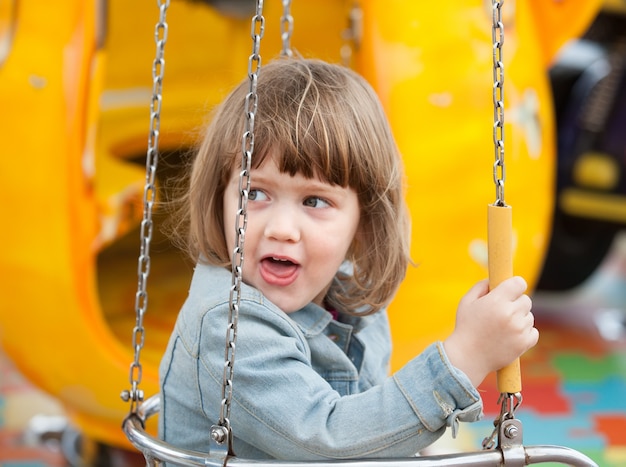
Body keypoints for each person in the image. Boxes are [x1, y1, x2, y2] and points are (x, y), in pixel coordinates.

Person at [159, 57, 538, 460]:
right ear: (220, 194)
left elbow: (374, 431)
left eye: (315, 201)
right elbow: (327, 440)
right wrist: (467, 356)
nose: (281, 228)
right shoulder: (227, 323)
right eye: (255, 194)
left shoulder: (352, 300)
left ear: (364, 220)